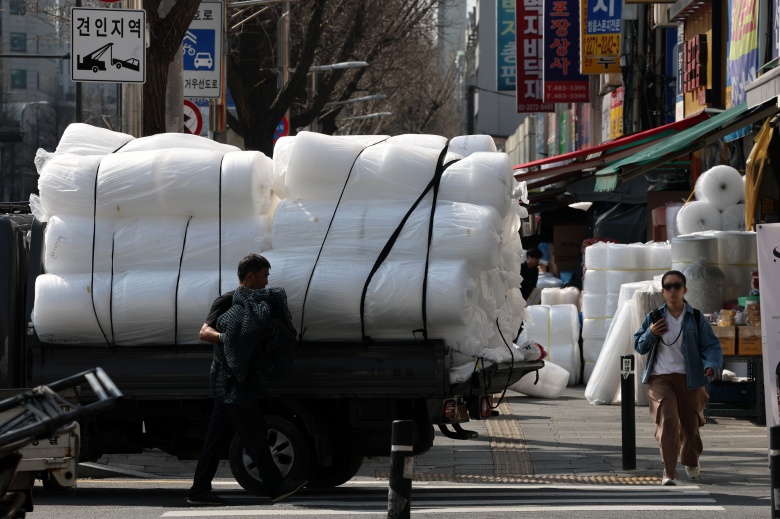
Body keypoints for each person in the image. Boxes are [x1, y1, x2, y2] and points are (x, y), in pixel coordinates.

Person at [188, 254, 307, 505]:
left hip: (241, 378)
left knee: (216, 439)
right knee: (254, 432)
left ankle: (199, 490)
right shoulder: (228, 301)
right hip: (229, 380)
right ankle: (275, 486)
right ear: (250, 276)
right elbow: (204, 332)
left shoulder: (260, 303)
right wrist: (226, 337)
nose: (266, 282)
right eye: (264, 276)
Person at [634, 270, 722, 486]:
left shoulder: (697, 317)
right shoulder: (653, 317)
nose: (672, 290)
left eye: (677, 286)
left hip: (691, 379)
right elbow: (639, 346)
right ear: (663, 291)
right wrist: (651, 333)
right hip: (660, 378)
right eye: (668, 287)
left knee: (690, 428)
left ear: (685, 290)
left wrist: (710, 365)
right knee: (668, 420)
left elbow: (711, 345)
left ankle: (690, 459)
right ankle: (669, 472)